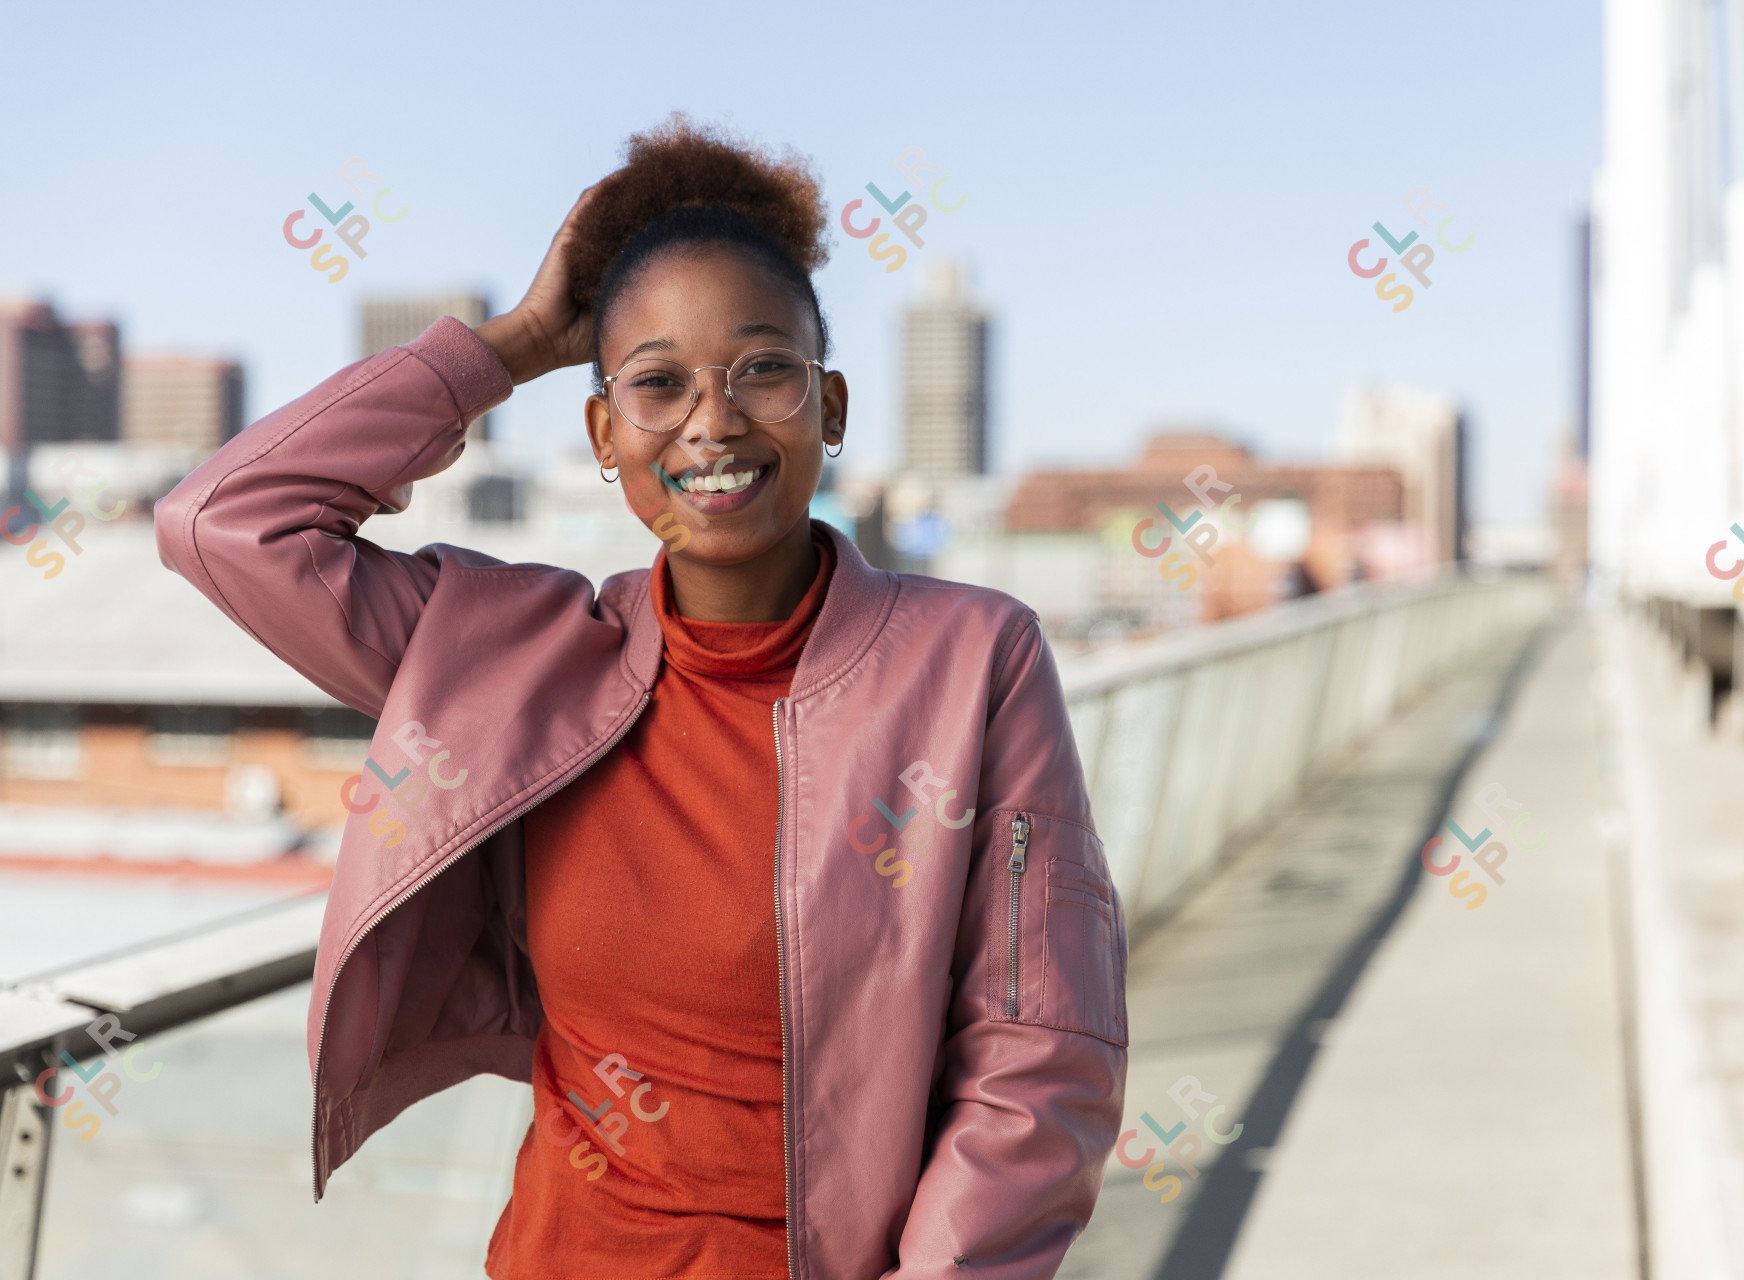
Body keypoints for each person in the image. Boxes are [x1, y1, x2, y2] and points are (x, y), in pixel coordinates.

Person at [156, 115, 1128, 1279]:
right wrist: (509, 345)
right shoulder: (509, 653)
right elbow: (222, 522)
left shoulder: (973, 660)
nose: (713, 421)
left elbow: (1038, 1057)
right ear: (603, 434)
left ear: (833, 406)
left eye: (763, 369)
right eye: (659, 385)